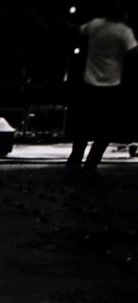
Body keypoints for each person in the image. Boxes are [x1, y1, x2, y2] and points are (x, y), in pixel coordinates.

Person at [66, 2, 137, 181]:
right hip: (111, 87)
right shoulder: (123, 31)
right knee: (104, 130)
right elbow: (133, 53)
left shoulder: (95, 24)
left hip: (89, 83)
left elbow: (77, 31)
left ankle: (74, 162)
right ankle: (91, 165)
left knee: (83, 127)